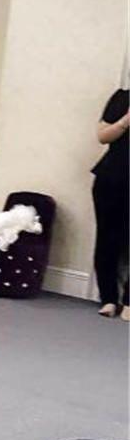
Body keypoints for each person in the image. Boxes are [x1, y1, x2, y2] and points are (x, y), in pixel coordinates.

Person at [91, 86, 130, 320]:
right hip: (111, 179)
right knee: (107, 239)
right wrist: (126, 120)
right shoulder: (122, 97)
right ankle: (108, 298)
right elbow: (102, 136)